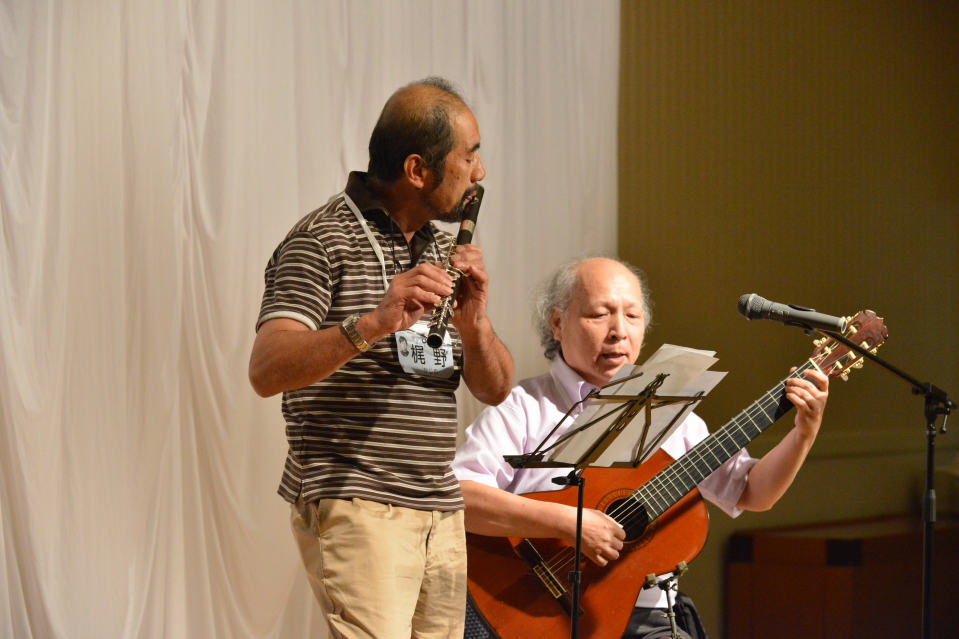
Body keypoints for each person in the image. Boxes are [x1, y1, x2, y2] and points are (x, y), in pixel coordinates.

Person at [249, 77, 514, 639]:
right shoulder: (320, 240)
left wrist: (475, 326)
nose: (480, 173)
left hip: (440, 507)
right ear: (417, 170)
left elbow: (495, 390)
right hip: (358, 500)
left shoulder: (440, 248)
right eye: (469, 156)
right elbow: (267, 369)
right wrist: (372, 324)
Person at [452, 256, 828, 639]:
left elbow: (749, 492)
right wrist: (568, 522)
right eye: (599, 315)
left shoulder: (667, 411)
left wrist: (803, 433)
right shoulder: (523, 408)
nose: (619, 331)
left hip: (647, 621)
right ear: (557, 323)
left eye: (632, 316)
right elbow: (460, 496)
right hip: (527, 610)